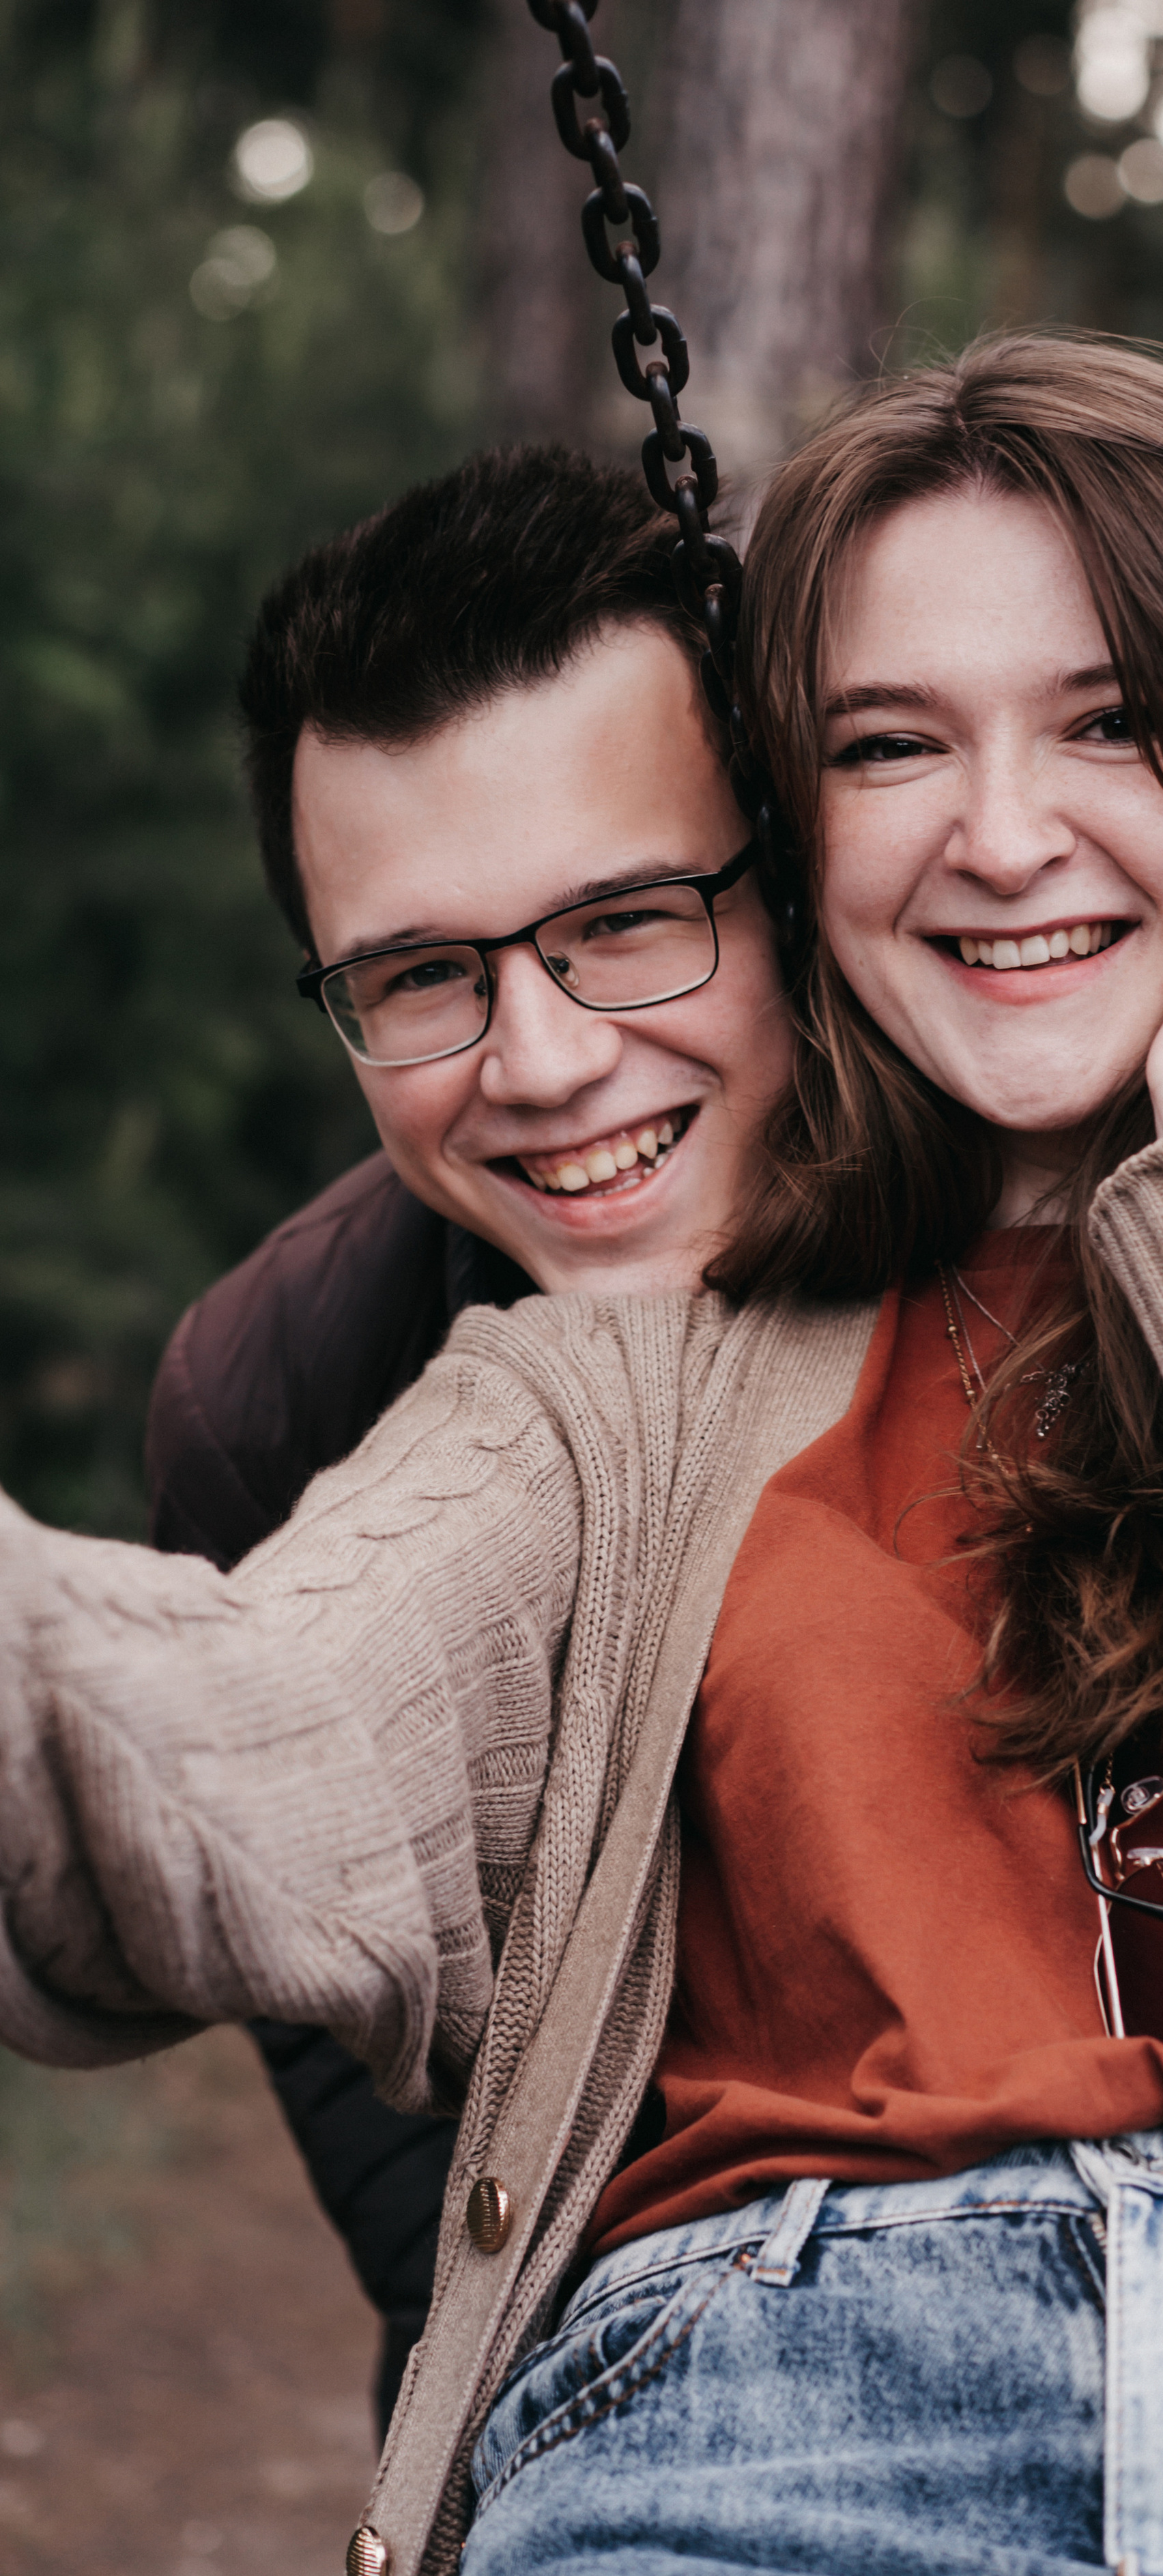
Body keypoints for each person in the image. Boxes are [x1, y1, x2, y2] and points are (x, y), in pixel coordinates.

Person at [6, 334, 1163, 2576]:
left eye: (1110, 721)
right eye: (892, 746)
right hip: (746, 2446)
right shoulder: (622, 1394)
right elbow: (246, 1741)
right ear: (804, 836)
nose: (1000, 835)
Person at [143, 441, 795, 2437]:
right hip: (599, 2391)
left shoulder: (1062, 1212)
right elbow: (402, 2153)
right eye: (422, 974)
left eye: (628, 919)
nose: (546, 1061)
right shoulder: (276, 1396)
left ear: (791, 874)